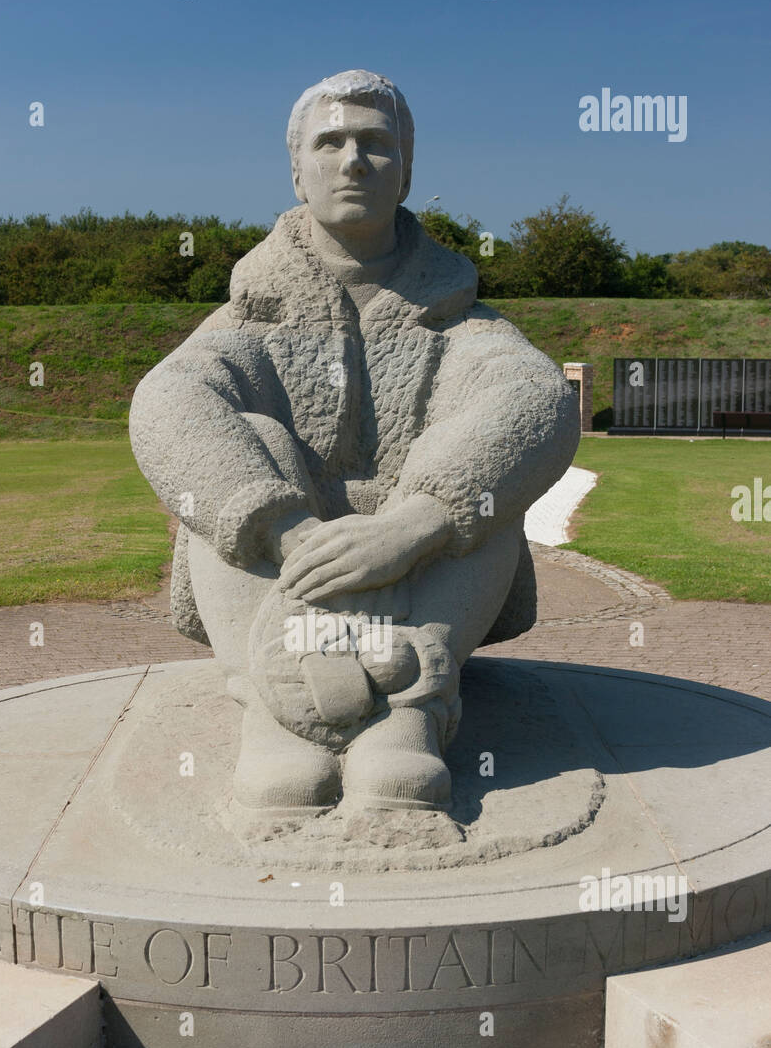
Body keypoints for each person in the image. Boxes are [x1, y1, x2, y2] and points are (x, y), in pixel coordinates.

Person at [130, 70, 579, 816]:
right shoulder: (251, 316)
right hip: (282, 574)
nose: (353, 161)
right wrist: (291, 532)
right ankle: (280, 706)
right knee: (243, 443)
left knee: (476, 473)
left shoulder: (457, 317)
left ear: (407, 169)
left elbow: (534, 397)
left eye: (376, 143)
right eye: (329, 142)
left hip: (428, 577)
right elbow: (168, 401)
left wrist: (413, 525)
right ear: (296, 170)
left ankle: (410, 706)